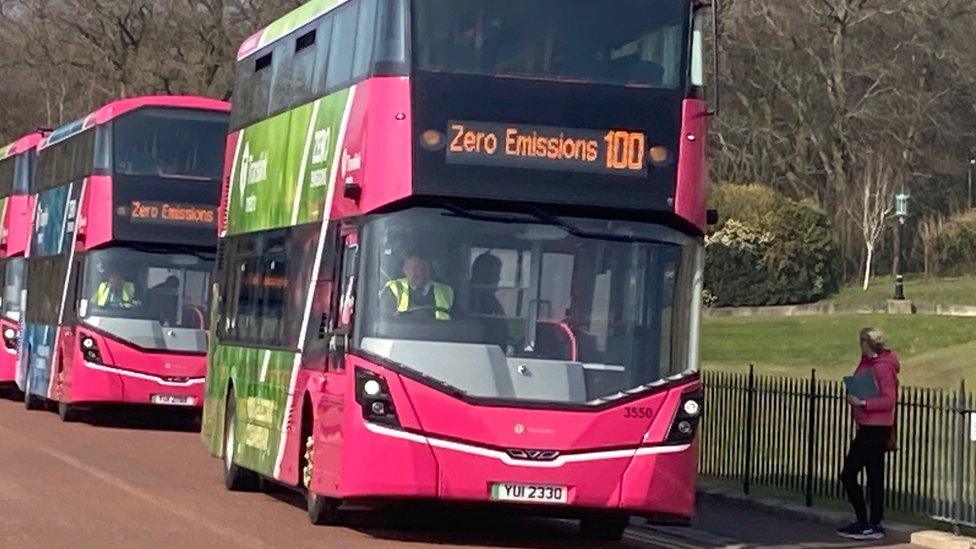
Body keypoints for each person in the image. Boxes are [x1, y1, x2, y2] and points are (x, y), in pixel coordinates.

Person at [837, 327, 900, 541]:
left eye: (861, 342)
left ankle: (871, 523)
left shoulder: (883, 367)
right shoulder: (866, 363)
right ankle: (866, 522)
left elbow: (889, 400)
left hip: (877, 428)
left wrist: (863, 402)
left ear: (867, 343)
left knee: (853, 474)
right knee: (868, 474)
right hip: (865, 425)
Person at [381, 251, 454, 321]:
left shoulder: (446, 291)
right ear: (404, 270)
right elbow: (385, 319)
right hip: (403, 333)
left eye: (419, 268)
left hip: (441, 333)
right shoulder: (394, 289)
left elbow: (459, 322)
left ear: (428, 270)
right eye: (410, 268)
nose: (414, 273)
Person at [468, 252, 505, 317]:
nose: (499, 278)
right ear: (486, 275)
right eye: (496, 274)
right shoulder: (470, 299)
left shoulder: (490, 297)